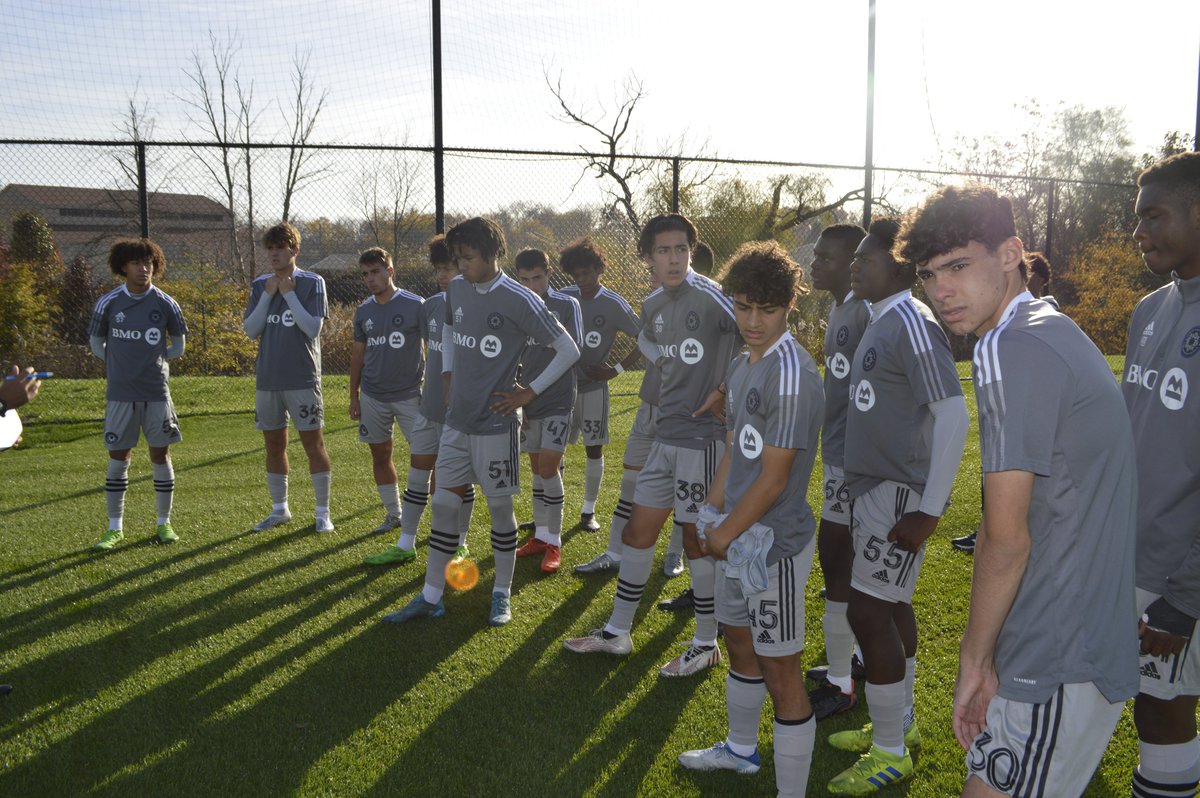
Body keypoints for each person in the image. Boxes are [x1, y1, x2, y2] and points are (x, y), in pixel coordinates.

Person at [907, 184, 1138, 797]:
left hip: (1060, 647)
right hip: (1058, 636)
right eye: (929, 275)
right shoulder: (1039, 329)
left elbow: (1005, 539)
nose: (941, 291)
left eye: (957, 266)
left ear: (1010, 254)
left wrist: (975, 662)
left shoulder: (1012, 347)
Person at [823, 217, 968, 794]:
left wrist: (929, 509)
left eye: (867, 258)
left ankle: (889, 752)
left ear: (901, 267)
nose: (856, 266)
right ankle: (897, 725)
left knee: (868, 614)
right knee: (891, 608)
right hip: (874, 490)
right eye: (854, 258)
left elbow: (952, 414)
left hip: (897, 494)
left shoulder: (911, 323)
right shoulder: (881, 320)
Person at [675, 240, 824, 797]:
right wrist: (709, 511)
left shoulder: (791, 372)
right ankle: (741, 751)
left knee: (782, 669)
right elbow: (738, 450)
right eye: (743, 307)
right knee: (740, 643)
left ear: (790, 306)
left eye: (766, 309)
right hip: (734, 537)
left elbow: (774, 479)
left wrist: (724, 536)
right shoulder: (742, 365)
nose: (753, 321)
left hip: (773, 547)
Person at [565, 213, 741, 678]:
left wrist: (724, 390)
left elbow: (755, 340)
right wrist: (657, 357)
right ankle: (618, 632)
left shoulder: (714, 299)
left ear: (691, 250)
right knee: (637, 533)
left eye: (681, 249)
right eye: (663, 251)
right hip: (664, 436)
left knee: (694, 538)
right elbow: (646, 340)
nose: (673, 258)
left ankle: (706, 641)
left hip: (702, 442)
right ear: (648, 257)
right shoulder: (653, 304)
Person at [381, 217, 578, 626]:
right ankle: (431, 595)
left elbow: (568, 349)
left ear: (493, 255)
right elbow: (450, 332)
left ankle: (501, 595)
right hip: (456, 423)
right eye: (457, 258)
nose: (461, 265)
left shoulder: (519, 298)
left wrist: (529, 392)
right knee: (445, 505)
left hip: (496, 426)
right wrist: (449, 375)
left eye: (468, 258)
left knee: (501, 510)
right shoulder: (456, 288)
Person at [1124, 151, 1200, 798]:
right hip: (1137, 555)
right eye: (1136, 217)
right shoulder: (1148, 312)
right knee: (1146, 701)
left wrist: (1185, 597)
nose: (1139, 232)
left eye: (1154, 215)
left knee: (1166, 708)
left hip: (1182, 573)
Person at [363, 235, 475, 566]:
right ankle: (406, 542)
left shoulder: (478, 306)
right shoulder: (430, 306)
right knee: (417, 475)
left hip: (462, 412)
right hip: (429, 407)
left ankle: (460, 543)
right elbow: (432, 352)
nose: (443, 275)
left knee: (458, 478)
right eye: (439, 268)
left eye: (450, 268)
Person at [574, 266, 688, 579]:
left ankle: (674, 554)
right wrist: (621, 370)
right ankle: (614, 552)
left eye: (655, 271)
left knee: (682, 488)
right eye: (651, 268)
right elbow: (643, 343)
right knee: (630, 483)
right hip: (648, 409)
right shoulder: (651, 307)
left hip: (683, 414)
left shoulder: (700, 308)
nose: (651, 275)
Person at [804, 223, 869, 721]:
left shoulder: (868, 311)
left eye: (825, 257)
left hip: (858, 460)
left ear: (853, 262)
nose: (814, 264)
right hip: (839, 451)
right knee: (844, 560)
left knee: (839, 557)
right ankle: (849, 661)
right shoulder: (839, 306)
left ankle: (842, 682)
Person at [87, 238, 188, 550]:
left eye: (149, 263)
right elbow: (96, 344)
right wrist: (121, 364)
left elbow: (178, 346)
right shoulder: (109, 303)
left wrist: (152, 362)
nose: (144, 269)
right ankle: (114, 528)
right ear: (123, 267)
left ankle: (164, 524)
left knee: (160, 454)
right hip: (120, 394)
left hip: (157, 393)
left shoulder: (166, 303)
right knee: (119, 457)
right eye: (136, 263)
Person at [243, 223, 332, 533]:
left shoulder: (312, 282)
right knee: (273, 445)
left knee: (313, 444)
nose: (274, 253)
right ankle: (280, 510)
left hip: (303, 379)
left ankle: (323, 513)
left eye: (280, 247)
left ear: (294, 250)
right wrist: (268, 296)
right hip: (268, 380)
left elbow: (312, 328)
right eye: (270, 248)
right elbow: (251, 330)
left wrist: (289, 296)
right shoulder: (260, 285)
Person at [558, 237, 643, 534]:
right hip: (560, 388)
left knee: (593, 450)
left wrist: (615, 370)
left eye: (587, 273)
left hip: (594, 389)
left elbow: (645, 340)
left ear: (599, 269)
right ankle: (553, 509)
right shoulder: (563, 297)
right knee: (554, 448)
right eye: (576, 275)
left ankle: (588, 511)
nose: (581, 280)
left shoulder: (614, 303)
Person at [512, 249, 582, 573]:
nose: (531, 285)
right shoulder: (515, 306)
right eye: (523, 280)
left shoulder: (567, 306)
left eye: (537, 278)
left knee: (550, 468)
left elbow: (572, 352)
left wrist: (534, 388)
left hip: (557, 399)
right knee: (537, 468)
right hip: (527, 402)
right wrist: (519, 396)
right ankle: (539, 536)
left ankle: (554, 542)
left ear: (549, 273)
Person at [347, 248, 426, 536]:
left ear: (390, 271)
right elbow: (357, 357)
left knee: (429, 456)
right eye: (365, 274)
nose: (370, 279)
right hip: (372, 396)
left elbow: (436, 346)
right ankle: (394, 514)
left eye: (376, 272)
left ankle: (441, 516)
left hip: (409, 396)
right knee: (380, 455)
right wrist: (354, 396)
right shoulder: (364, 310)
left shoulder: (415, 304)